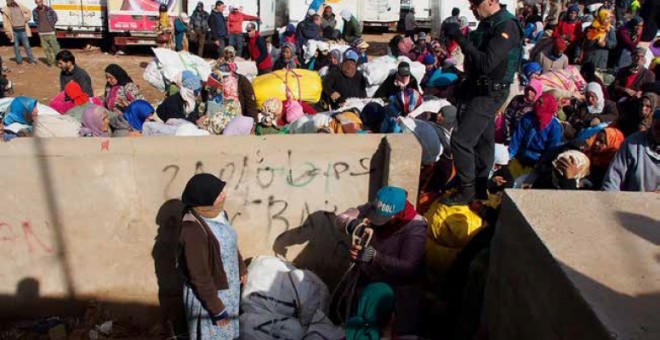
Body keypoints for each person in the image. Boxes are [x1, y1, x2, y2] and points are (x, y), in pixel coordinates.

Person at [441, 0, 523, 205]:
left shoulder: (506, 25)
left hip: (491, 92)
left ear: (491, 1)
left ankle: (467, 189)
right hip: (479, 88)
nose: (472, 8)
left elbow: (487, 63)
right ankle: (479, 185)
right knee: (484, 139)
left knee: (461, 140)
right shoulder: (489, 23)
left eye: (475, 3)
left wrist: (460, 38)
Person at [335, 186, 427, 336]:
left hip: (396, 292)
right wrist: (354, 226)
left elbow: (409, 266)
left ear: (397, 214)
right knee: (361, 329)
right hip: (369, 282)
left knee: (392, 332)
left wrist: (373, 256)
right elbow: (342, 217)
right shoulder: (375, 206)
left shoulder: (416, 227)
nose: (378, 222)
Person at [178, 173, 247, 339]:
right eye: (218, 194)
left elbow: (230, 244)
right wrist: (217, 308)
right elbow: (199, 276)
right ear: (204, 199)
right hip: (209, 298)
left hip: (228, 291)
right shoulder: (193, 230)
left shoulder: (220, 214)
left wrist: (241, 267)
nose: (224, 195)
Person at [602, 109, 659, 192]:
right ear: (652, 124)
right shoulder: (632, 144)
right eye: (657, 128)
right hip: (633, 201)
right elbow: (612, 180)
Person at [508, 92, 564, 170]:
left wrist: (540, 165)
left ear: (548, 106)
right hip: (520, 155)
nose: (537, 104)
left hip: (537, 161)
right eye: (537, 101)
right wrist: (509, 156)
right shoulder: (528, 117)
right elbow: (517, 138)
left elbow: (552, 149)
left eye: (541, 103)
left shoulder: (555, 127)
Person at [2, 0, 36, 65]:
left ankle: (31, 60)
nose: (8, 1)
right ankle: (19, 61)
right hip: (14, 31)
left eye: (9, 0)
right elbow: (5, 22)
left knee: (27, 46)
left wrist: (26, 18)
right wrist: (7, 32)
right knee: (16, 47)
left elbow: (28, 11)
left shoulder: (19, 5)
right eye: (7, 0)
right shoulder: (5, 9)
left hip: (22, 30)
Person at [33, 0, 59, 68]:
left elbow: (55, 17)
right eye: (37, 2)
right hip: (42, 33)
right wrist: (40, 28)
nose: (39, 3)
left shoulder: (49, 9)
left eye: (40, 2)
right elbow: (35, 20)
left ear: (42, 1)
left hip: (51, 32)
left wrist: (51, 25)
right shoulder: (35, 11)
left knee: (56, 49)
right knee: (47, 50)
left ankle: (59, 62)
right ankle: (52, 63)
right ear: (36, 3)